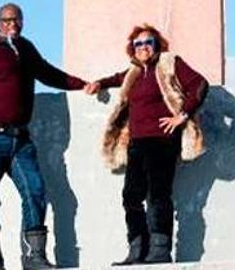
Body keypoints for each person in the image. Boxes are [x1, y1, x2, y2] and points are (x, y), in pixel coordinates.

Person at [0, 3, 91, 270]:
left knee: (35, 191)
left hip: (21, 139)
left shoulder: (26, 49)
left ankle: (34, 257)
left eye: (17, 20)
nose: (13, 25)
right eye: (7, 20)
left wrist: (83, 84)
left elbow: (48, 74)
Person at [85, 25, 207, 264]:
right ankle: (137, 250)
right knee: (131, 196)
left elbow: (199, 85)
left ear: (157, 44)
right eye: (138, 44)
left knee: (158, 195)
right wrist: (98, 83)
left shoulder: (169, 63)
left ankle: (160, 251)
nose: (143, 47)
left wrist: (182, 115)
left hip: (162, 141)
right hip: (137, 142)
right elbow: (116, 79)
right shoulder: (133, 72)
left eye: (148, 42)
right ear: (133, 48)